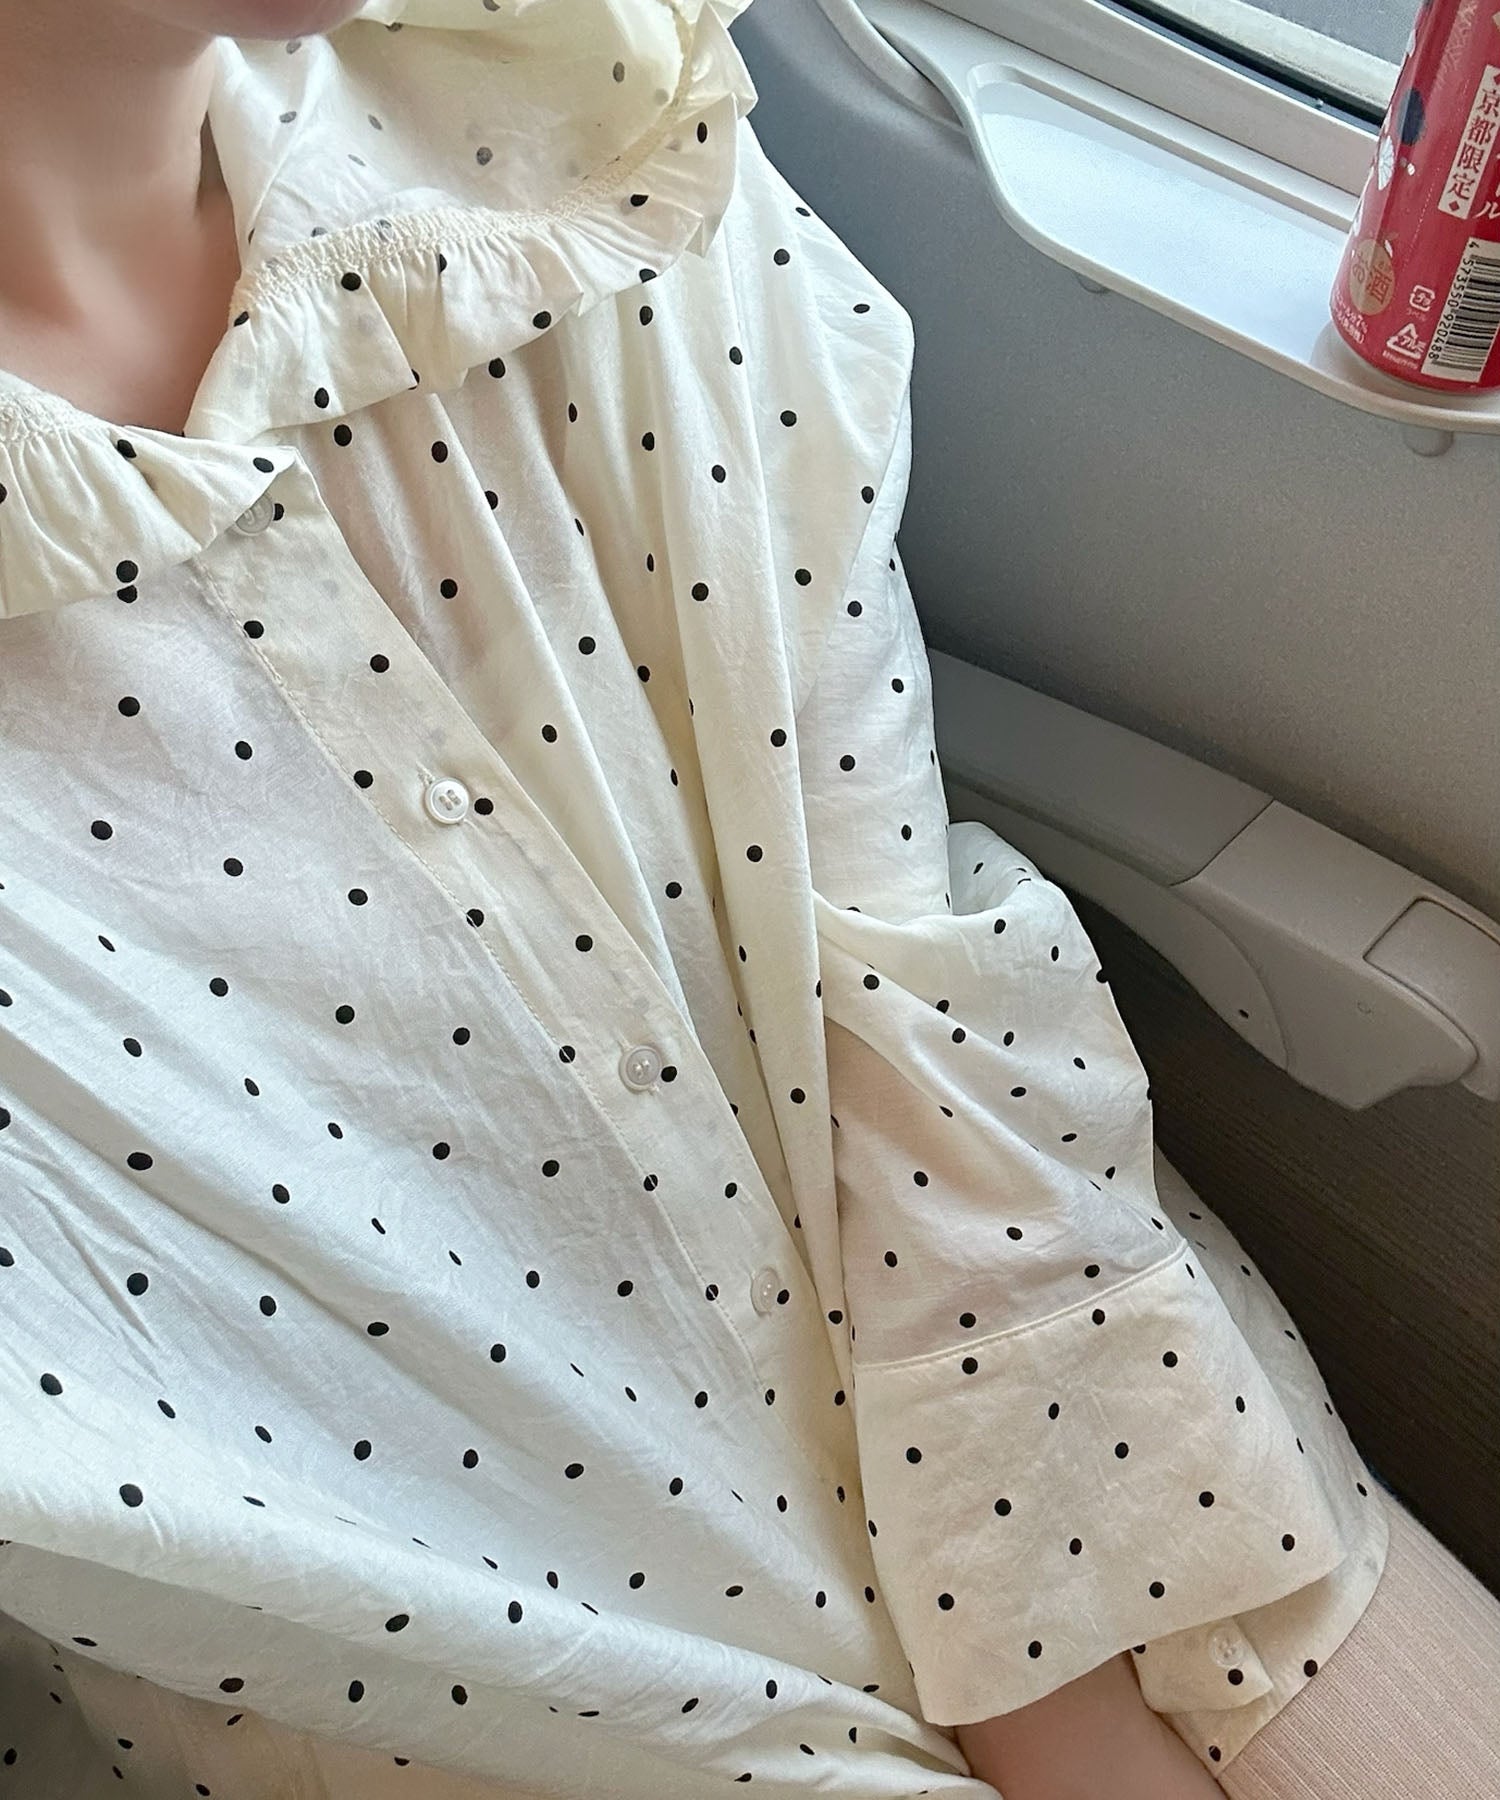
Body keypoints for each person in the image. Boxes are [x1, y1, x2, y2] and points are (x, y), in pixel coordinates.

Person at [0, 2, 1496, 1797]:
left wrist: (1059, 1666)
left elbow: (899, 942)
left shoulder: (574, 122)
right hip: (496, 1721)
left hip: (1095, 1389)